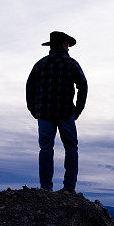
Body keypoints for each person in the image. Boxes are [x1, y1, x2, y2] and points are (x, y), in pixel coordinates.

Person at [25, 31, 88, 193]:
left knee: (46, 148)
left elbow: (29, 86)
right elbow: (83, 86)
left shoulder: (41, 64)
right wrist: (77, 110)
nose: (68, 48)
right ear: (62, 44)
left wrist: (33, 108)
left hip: (44, 113)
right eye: (67, 44)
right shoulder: (71, 63)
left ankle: (46, 188)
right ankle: (69, 187)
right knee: (71, 147)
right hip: (66, 112)